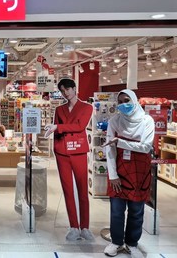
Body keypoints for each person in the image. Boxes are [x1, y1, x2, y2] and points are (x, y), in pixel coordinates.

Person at [102, 89, 154, 258]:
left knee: (136, 211)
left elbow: (146, 147)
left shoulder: (147, 121)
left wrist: (121, 142)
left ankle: (132, 243)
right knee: (116, 210)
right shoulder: (114, 121)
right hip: (118, 169)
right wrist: (113, 175)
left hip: (139, 172)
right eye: (120, 102)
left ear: (134, 100)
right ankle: (116, 242)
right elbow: (110, 150)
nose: (124, 105)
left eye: (127, 100)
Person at [45, 78, 94, 241]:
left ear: (74, 88)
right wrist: (52, 130)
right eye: (62, 90)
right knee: (67, 190)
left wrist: (59, 127)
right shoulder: (59, 109)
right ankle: (74, 226)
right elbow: (58, 128)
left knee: (82, 190)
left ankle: (85, 227)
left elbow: (80, 126)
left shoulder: (87, 107)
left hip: (79, 151)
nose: (65, 93)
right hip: (62, 153)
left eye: (67, 89)